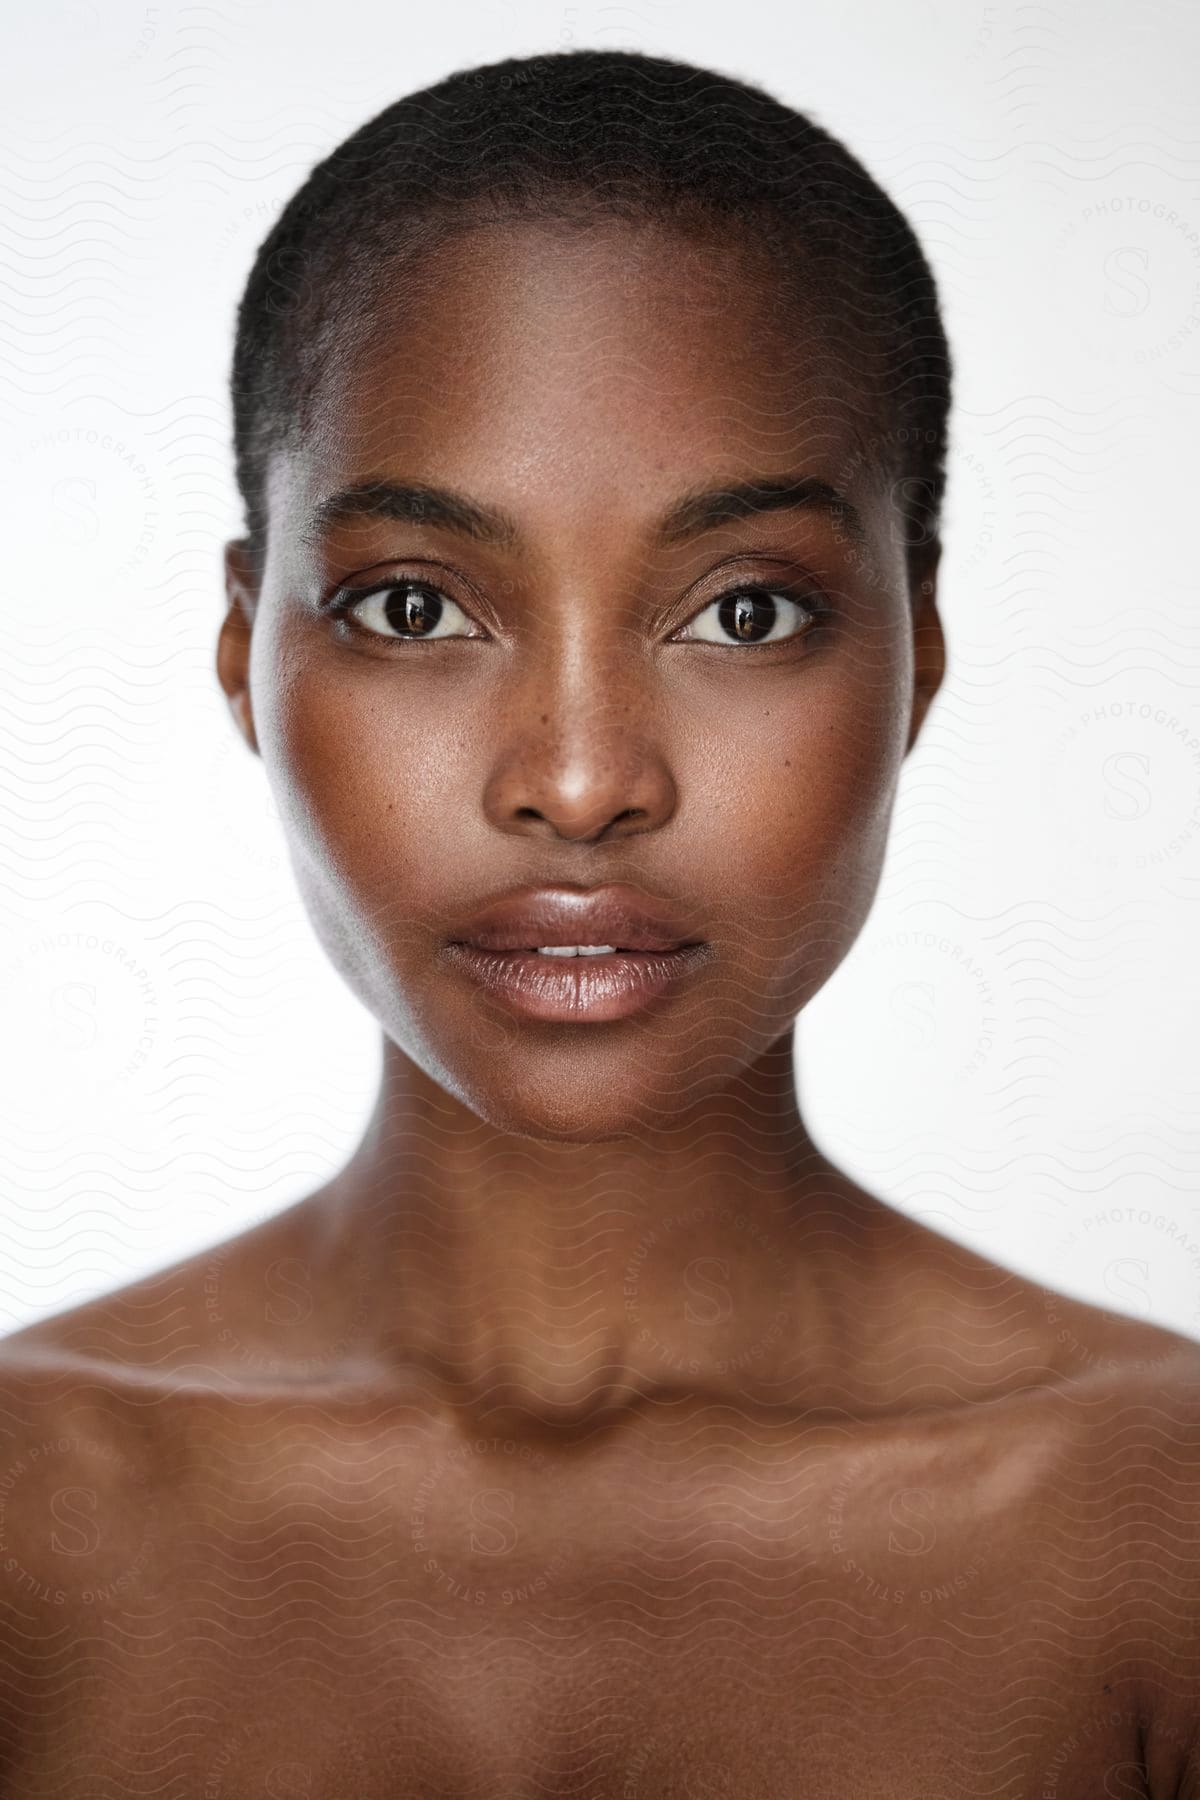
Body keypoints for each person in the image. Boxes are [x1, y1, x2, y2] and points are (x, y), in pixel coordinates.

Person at [1, 46, 1197, 1799]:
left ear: (916, 655)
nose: (578, 779)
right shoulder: (30, 1524)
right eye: (416, 606)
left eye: (742, 614)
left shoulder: (1154, 1536)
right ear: (244, 650)